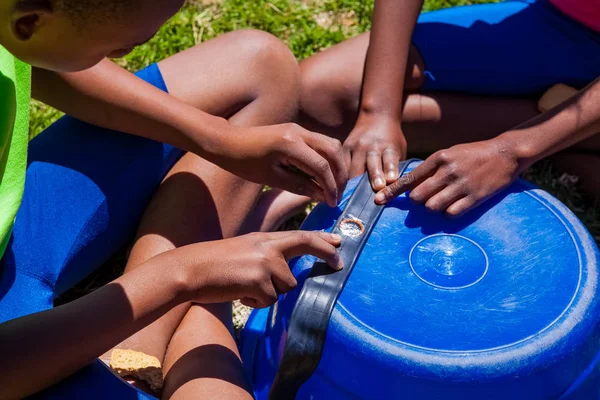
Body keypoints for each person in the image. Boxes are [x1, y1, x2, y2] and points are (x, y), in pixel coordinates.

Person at [0, 0, 348, 399]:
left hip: (14, 229)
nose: (118, 57)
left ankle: (139, 341)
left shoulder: (15, 25)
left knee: (260, 66)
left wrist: (219, 138)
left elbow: (39, 61)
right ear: (29, 21)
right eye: (119, 47)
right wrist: (183, 276)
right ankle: (145, 345)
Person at [296, 0, 600, 216]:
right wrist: (378, 112)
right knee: (321, 97)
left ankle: (569, 133)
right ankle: (573, 134)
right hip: (564, 24)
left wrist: (511, 150)